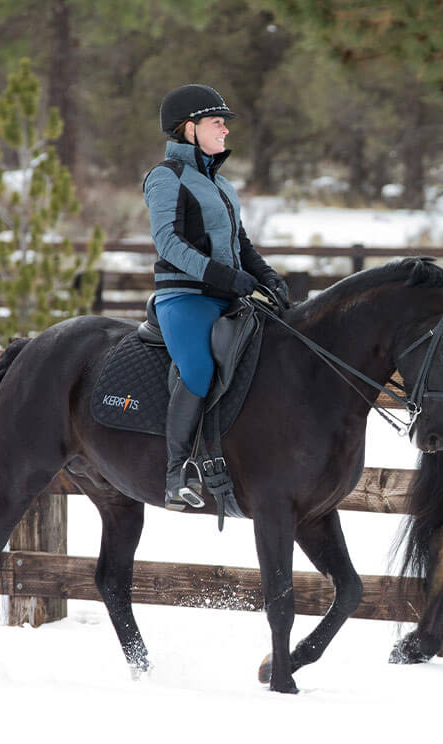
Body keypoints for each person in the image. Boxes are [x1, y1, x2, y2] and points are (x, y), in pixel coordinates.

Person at [145, 83, 291, 510]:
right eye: (216, 122)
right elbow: (168, 242)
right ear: (189, 129)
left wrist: (266, 277)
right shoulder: (165, 178)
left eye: (224, 123)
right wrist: (226, 278)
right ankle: (176, 474)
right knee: (198, 368)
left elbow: (240, 242)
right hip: (184, 297)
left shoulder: (222, 185)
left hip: (227, 293)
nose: (225, 130)